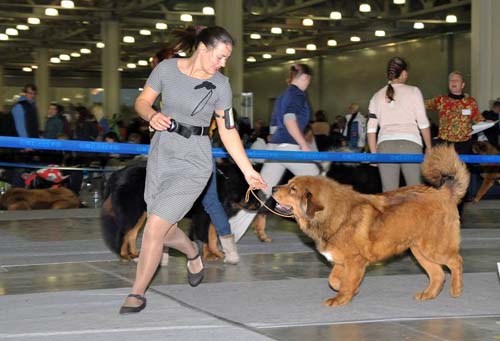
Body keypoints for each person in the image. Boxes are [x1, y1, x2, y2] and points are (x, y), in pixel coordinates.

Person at [119, 26, 266, 314]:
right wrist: (151, 115)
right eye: (221, 56)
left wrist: (248, 170)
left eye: (227, 59)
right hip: (162, 153)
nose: (223, 64)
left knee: (153, 228)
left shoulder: (221, 85)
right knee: (165, 227)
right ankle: (191, 251)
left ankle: (136, 293)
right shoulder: (166, 69)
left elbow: (228, 131)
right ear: (203, 48)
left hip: (195, 161)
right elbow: (142, 101)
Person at [229, 63, 320, 242]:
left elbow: (275, 125)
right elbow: (289, 119)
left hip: (276, 148)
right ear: (306, 77)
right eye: (309, 80)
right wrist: (303, 144)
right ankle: (315, 225)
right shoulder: (298, 94)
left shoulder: (283, 95)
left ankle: (230, 232)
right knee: (318, 181)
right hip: (290, 147)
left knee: (261, 192)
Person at [367, 57, 432, 192]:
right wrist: (429, 147)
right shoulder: (414, 91)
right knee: (416, 192)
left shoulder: (376, 96)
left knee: (389, 194)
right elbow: (423, 124)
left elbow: (371, 129)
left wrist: (373, 154)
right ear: (403, 73)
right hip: (411, 145)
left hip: (385, 147)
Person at [425, 71, 483, 155]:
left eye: (457, 80)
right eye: (451, 80)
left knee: (463, 168)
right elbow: (421, 104)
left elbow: (478, 118)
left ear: (463, 85)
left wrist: (487, 122)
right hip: (445, 144)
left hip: (464, 145)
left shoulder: (470, 102)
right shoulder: (441, 100)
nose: (454, 82)